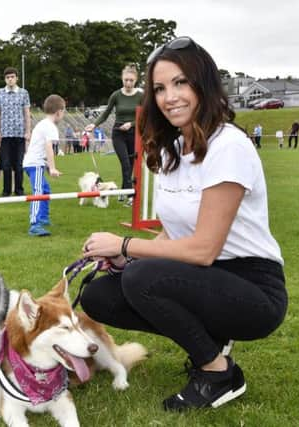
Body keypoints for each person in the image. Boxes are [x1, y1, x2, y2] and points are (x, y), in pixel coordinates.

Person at [79, 37, 287, 412]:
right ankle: (211, 340)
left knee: (142, 278)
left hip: (253, 287)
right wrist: (127, 260)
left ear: (202, 84)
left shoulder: (229, 146)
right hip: (200, 277)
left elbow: (203, 249)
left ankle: (217, 373)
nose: (169, 96)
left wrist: (124, 246)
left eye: (180, 83)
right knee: (100, 296)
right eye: (159, 88)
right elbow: (173, 234)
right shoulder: (170, 150)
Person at [87, 64, 143, 206]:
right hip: (118, 133)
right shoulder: (116, 95)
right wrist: (94, 124)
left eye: (131, 80)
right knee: (125, 163)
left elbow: (145, 116)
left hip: (134, 134)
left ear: (135, 80)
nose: (128, 83)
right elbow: (106, 113)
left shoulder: (141, 96)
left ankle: (123, 192)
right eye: (126, 80)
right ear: (122, 79)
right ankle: (130, 196)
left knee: (130, 166)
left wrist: (131, 124)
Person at [23, 95, 64, 236]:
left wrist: (47, 166)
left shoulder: (42, 124)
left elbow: (39, 147)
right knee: (38, 191)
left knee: (45, 189)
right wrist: (51, 168)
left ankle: (44, 218)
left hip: (33, 162)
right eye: (63, 112)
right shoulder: (50, 127)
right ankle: (35, 224)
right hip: (35, 164)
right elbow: (48, 148)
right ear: (59, 112)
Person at [0, 67, 31, 197]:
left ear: (17, 78)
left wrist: (28, 131)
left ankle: (19, 190)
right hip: (5, 134)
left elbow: (27, 113)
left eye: (12, 77)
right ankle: (6, 190)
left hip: (20, 134)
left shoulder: (24, 93)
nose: (10, 79)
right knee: (5, 164)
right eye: (8, 77)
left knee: (19, 164)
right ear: (5, 79)